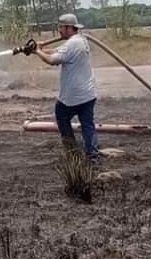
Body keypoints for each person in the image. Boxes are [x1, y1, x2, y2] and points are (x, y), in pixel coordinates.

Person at [33, 13, 100, 159]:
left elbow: (52, 60)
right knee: (88, 125)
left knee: (62, 115)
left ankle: (72, 153)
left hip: (73, 96)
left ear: (69, 27)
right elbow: (58, 51)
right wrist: (39, 48)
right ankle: (92, 155)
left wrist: (38, 51)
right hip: (88, 94)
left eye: (61, 28)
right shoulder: (80, 40)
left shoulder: (72, 44)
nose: (59, 31)